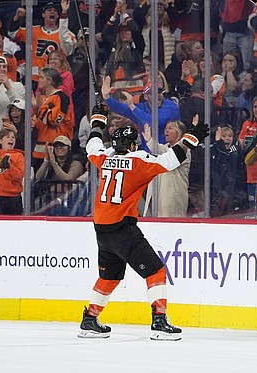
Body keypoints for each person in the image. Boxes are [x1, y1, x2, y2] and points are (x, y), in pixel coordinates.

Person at [79, 103, 209, 340]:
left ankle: (89, 319)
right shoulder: (138, 161)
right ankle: (159, 321)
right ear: (131, 145)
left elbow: (92, 144)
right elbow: (171, 160)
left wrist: (98, 118)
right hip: (122, 228)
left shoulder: (104, 158)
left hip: (102, 229)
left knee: (110, 276)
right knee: (156, 270)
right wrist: (192, 137)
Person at [141, 120, 191, 218]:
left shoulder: (184, 150)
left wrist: (150, 141)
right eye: (166, 128)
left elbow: (169, 156)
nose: (166, 131)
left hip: (174, 195)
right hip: (158, 195)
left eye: (170, 128)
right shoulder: (164, 148)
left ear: (179, 132)